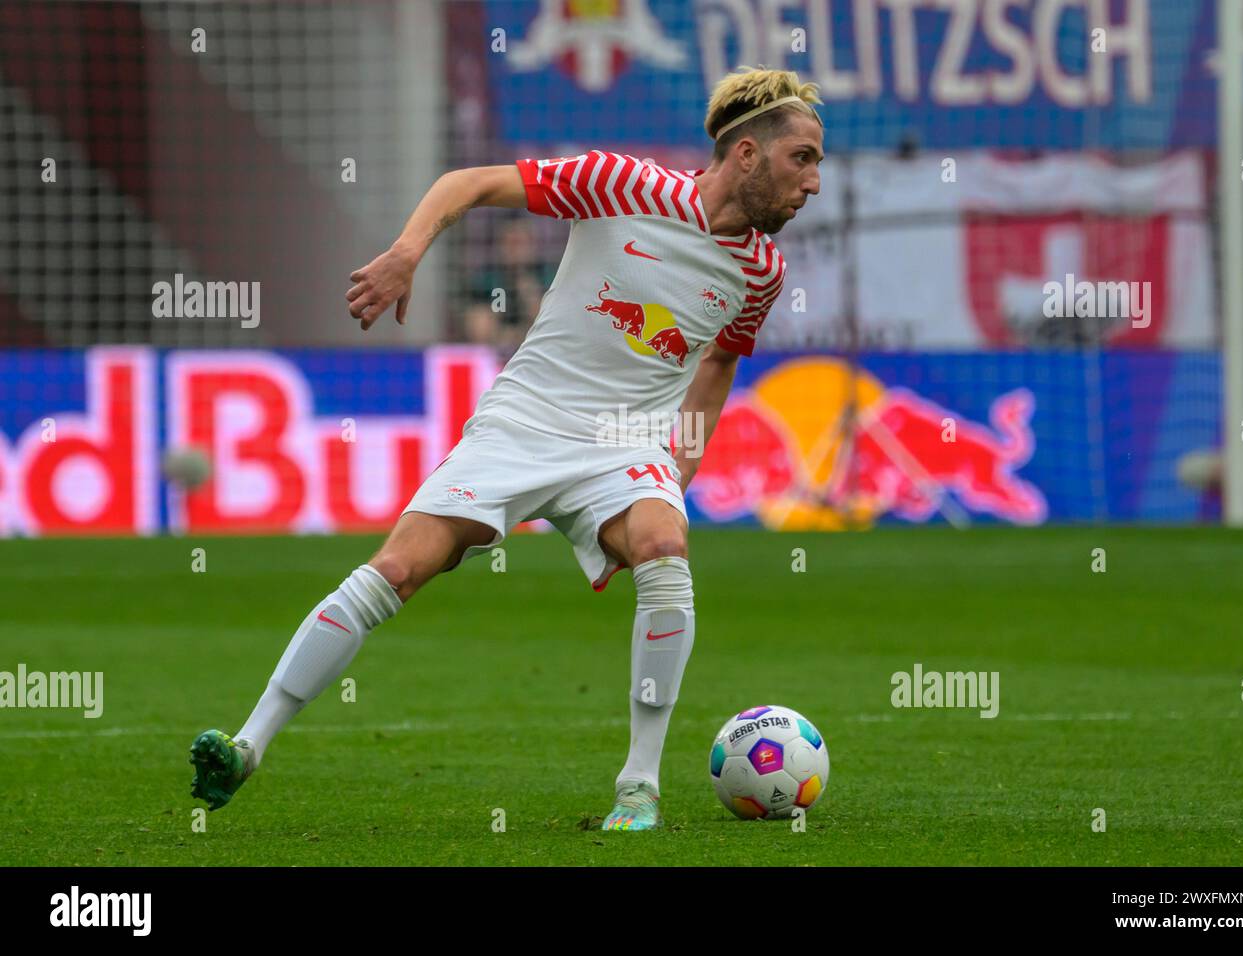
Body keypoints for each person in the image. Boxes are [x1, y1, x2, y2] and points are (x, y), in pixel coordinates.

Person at [190, 66, 824, 831]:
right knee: (397, 568)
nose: (814, 182)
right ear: (748, 154)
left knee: (664, 545)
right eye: (804, 159)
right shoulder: (620, 183)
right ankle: (248, 745)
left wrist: (676, 471)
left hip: (624, 447)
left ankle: (639, 787)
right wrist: (404, 253)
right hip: (523, 421)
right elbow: (468, 183)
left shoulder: (762, 271)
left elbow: (720, 361)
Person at [462, 217, 556, 354]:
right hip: (497, 344)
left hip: (537, 346)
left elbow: (550, 320)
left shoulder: (546, 274)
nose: (515, 250)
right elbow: (478, 324)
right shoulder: (490, 277)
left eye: (520, 243)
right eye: (509, 243)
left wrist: (527, 289)